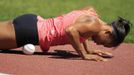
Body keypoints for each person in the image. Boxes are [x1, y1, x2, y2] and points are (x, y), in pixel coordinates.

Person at [0, 6, 131, 61]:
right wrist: (84, 55)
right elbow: (71, 30)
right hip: (31, 32)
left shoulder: (93, 14)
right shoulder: (95, 25)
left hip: (32, 22)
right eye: (103, 42)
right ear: (107, 31)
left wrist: (88, 49)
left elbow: (81, 30)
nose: (99, 43)